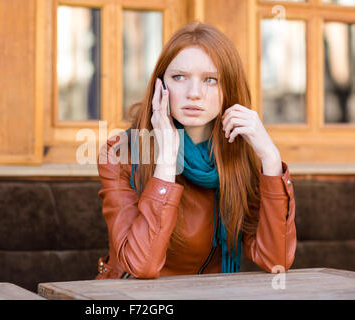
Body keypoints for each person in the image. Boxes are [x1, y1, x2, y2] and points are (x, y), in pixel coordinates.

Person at [95, 22, 296, 280]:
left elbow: (276, 260)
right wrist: (166, 161)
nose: (194, 94)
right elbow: (142, 266)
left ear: (229, 91)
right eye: (179, 77)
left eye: (210, 80)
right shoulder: (122, 154)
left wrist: (270, 157)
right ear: (160, 87)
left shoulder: (240, 155)